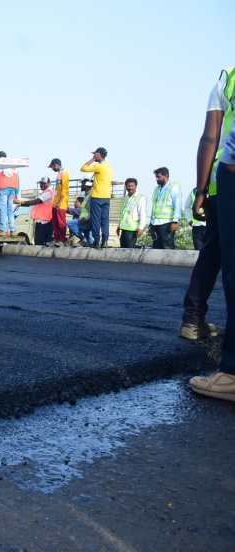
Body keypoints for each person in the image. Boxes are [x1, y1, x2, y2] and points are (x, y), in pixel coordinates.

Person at [186, 65, 235, 402]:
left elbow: (210, 136)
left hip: (223, 182)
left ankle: (194, 318)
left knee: (221, 259)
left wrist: (201, 189)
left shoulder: (227, 78)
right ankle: (193, 318)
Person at [80, 147, 113, 248]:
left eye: (95, 154)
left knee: (96, 220)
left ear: (99, 154)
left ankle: (96, 241)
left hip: (97, 196)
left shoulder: (99, 166)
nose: (94, 156)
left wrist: (93, 159)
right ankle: (105, 241)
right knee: (105, 220)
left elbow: (83, 168)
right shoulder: (109, 166)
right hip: (106, 197)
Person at [148, 167, 181, 249]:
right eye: (156, 177)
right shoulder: (156, 189)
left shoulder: (173, 187)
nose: (156, 179)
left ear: (166, 176)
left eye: (158, 177)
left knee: (167, 248)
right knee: (156, 248)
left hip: (167, 224)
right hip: (155, 223)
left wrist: (175, 221)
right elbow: (153, 207)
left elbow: (177, 205)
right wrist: (151, 224)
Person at [14, 177, 54, 245]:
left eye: (44, 183)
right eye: (41, 183)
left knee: (40, 242)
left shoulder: (49, 193)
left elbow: (37, 201)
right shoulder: (45, 192)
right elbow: (33, 204)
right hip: (42, 221)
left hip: (45, 222)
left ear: (49, 183)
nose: (42, 185)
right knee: (40, 242)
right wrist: (21, 204)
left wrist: (21, 202)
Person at [116, 177, 148, 248]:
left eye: (132, 186)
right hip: (124, 229)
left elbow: (142, 214)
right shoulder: (126, 198)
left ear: (136, 186)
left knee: (129, 250)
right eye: (128, 186)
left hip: (132, 230)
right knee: (123, 249)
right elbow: (123, 213)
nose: (130, 188)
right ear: (126, 186)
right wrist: (118, 226)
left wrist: (141, 228)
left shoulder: (140, 197)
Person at [49, 158, 70, 246]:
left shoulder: (64, 173)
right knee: (55, 222)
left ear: (57, 165)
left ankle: (62, 240)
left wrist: (59, 202)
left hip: (61, 203)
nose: (52, 168)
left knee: (61, 222)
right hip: (56, 202)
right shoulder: (59, 174)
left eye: (53, 166)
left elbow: (64, 190)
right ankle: (57, 239)